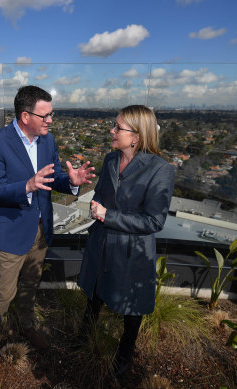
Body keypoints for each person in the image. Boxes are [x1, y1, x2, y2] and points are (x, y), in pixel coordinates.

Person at [0, 85, 96, 369]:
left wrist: (72, 182)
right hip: (13, 230)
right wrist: (26, 186)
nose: (50, 120)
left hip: (41, 228)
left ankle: (27, 326)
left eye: (51, 114)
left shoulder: (47, 141)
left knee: (31, 282)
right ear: (25, 116)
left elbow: (52, 177)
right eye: (45, 115)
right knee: (4, 292)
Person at [77, 105, 174, 377]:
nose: (112, 130)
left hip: (132, 251)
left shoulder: (160, 170)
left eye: (118, 127)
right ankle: (86, 333)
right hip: (102, 243)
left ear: (137, 137)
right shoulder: (110, 159)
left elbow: (154, 221)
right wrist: (96, 205)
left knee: (131, 307)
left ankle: (125, 353)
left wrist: (109, 215)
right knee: (95, 292)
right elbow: (101, 193)